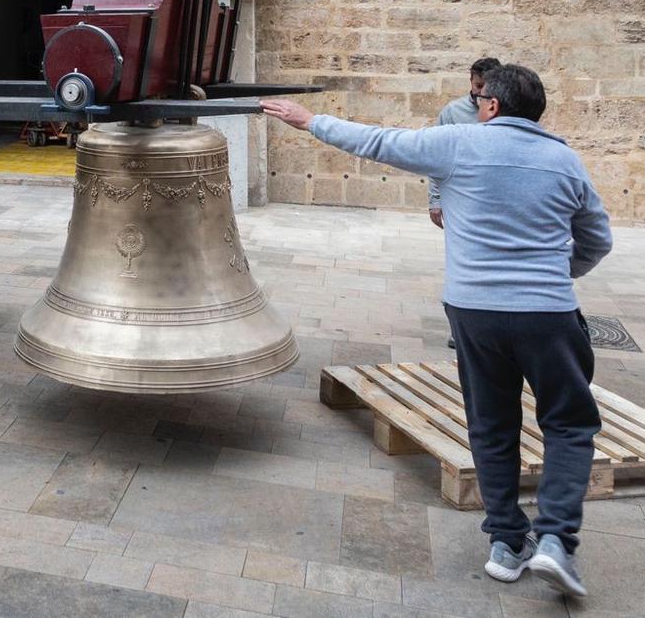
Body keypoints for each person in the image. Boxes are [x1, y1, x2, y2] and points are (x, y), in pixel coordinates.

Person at [261, 64, 611, 599]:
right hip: (548, 315)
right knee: (567, 423)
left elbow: (379, 142)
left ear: (491, 105)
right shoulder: (565, 160)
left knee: (491, 424)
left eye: (479, 101)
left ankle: (506, 543)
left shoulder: (458, 144)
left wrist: (311, 121)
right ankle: (556, 541)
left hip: (473, 311)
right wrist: (555, 275)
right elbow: (596, 239)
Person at [427, 55, 501, 228]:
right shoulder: (453, 112)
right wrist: (435, 201)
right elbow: (436, 156)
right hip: (460, 197)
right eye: (478, 85)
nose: (482, 92)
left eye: (487, 86)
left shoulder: (507, 111)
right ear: (471, 81)